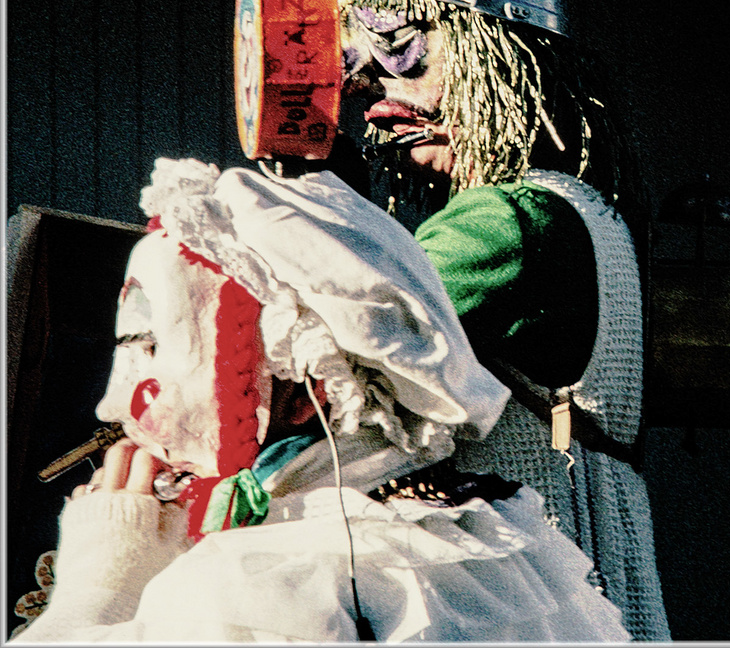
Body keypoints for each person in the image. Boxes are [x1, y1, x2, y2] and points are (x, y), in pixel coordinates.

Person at [14, 158, 630, 642]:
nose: (110, 408)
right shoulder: (511, 559)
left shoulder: (259, 591)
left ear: (306, 389)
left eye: (147, 346)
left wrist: (96, 591)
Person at [341, 0, 669, 642]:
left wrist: (310, 182)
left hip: (532, 588)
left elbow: (349, 332)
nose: (373, 95)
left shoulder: (508, 222)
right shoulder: (585, 209)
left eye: (402, 49)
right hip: (591, 565)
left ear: (496, 60)